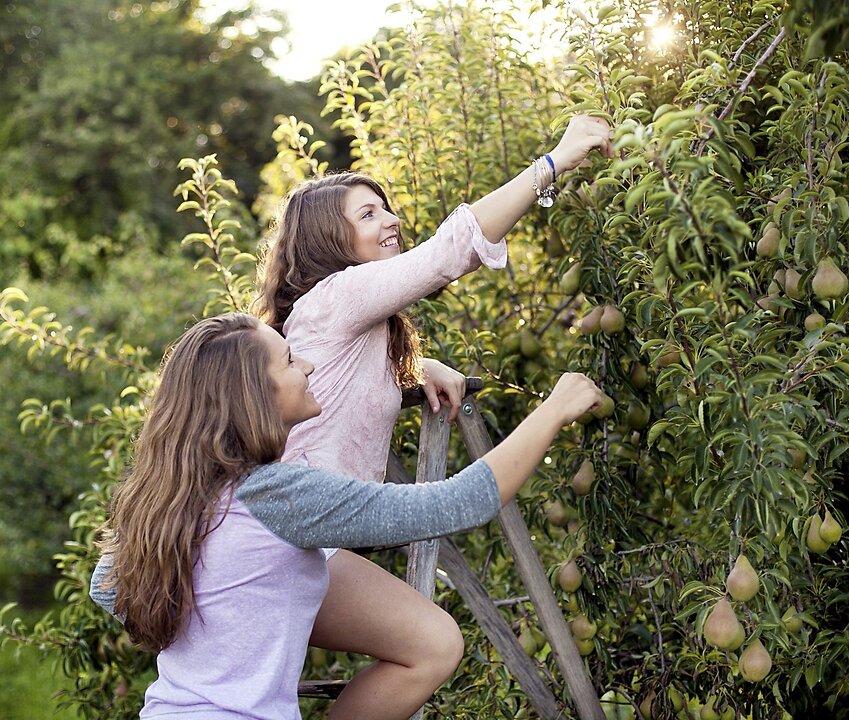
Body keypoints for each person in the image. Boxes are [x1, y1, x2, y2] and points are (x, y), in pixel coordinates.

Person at [249, 113, 613, 717]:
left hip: (307, 540)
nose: (391, 221)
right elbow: (450, 253)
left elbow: (344, 382)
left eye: (384, 208)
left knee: (429, 643)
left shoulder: (339, 320)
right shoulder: (335, 297)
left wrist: (416, 369)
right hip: (286, 542)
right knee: (431, 644)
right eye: (367, 215)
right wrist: (555, 161)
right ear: (325, 241)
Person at [91, 312, 603, 719]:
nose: (308, 367)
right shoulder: (279, 495)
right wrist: (553, 409)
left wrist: (240, 614)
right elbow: (455, 504)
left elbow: (107, 587)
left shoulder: (174, 497)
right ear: (255, 397)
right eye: (290, 361)